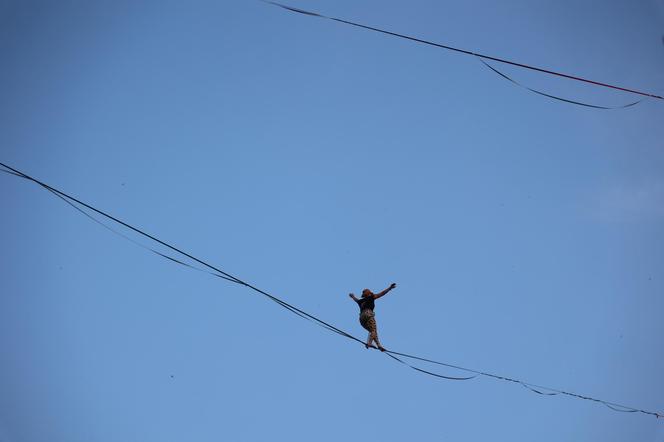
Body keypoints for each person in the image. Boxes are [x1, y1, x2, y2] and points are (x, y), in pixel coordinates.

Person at [349, 283, 396, 351]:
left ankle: (379, 345)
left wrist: (352, 296)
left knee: (372, 331)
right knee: (373, 330)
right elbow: (382, 293)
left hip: (361, 318)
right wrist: (389, 288)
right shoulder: (371, 297)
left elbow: (356, 300)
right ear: (369, 294)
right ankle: (369, 343)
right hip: (368, 314)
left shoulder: (361, 301)